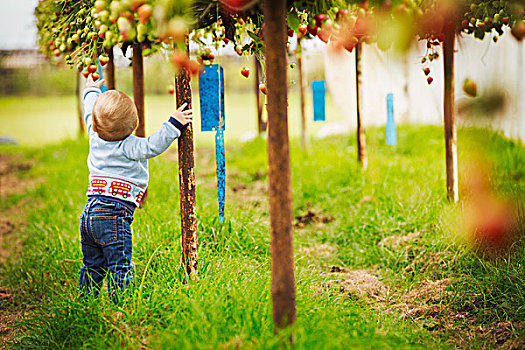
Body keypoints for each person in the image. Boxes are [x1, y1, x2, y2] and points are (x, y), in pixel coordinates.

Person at [79, 76, 192, 302]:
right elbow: (153, 144)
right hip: (113, 216)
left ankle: (85, 303)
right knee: (119, 267)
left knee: (92, 265)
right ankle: (121, 307)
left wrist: (90, 90)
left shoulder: (93, 133)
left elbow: (89, 111)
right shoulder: (128, 145)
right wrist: (174, 124)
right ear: (133, 125)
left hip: (89, 214)